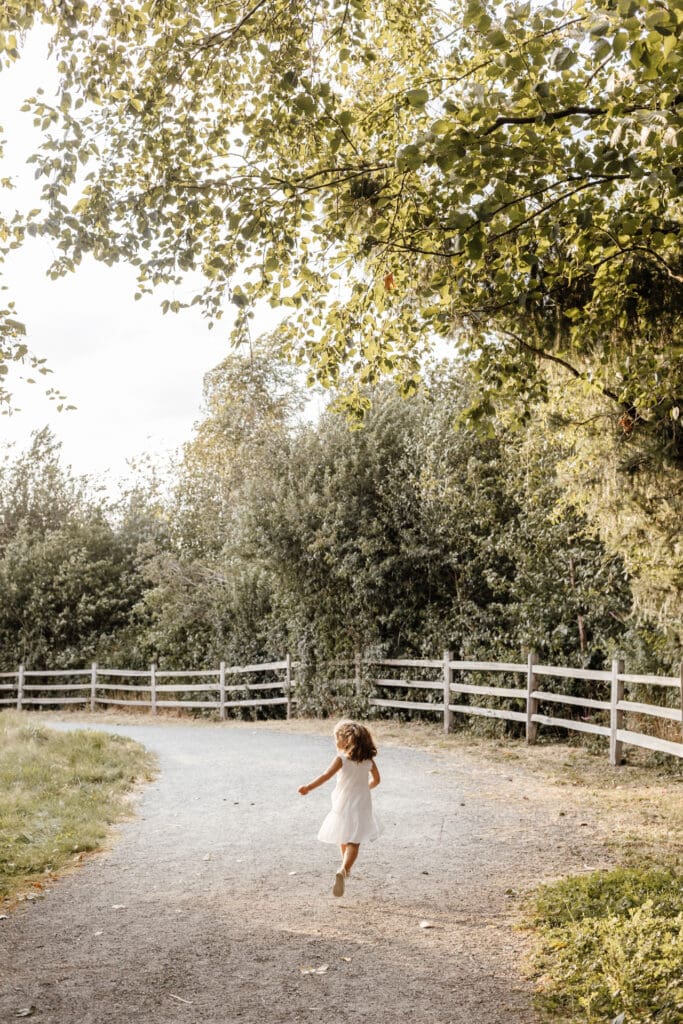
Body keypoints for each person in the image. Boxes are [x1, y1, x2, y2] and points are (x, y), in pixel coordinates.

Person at [298, 719, 381, 897]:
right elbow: (376, 780)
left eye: (336, 738)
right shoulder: (369, 760)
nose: (335, 741)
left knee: (343, 833)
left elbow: (325, 776)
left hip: (343, 802)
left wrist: (308, 788)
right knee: (354, 840)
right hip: (362, 802)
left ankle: (345, 869)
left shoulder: (341, 759)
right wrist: (366, 788)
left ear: (346, 740)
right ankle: (344, 869)